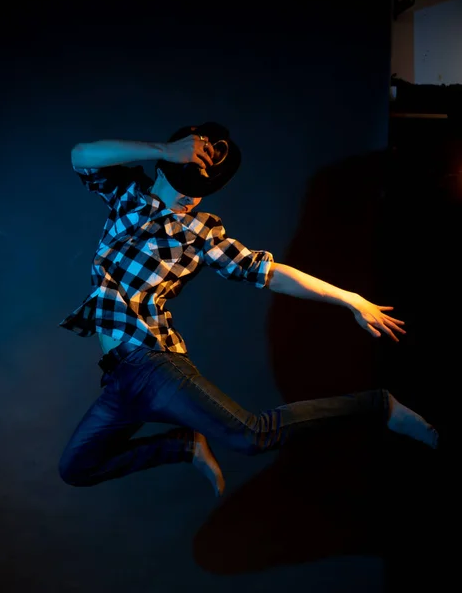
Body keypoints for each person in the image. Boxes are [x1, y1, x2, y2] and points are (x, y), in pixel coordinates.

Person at [58, 121, 438, 498]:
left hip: (152, 361)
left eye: (200, 193)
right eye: (184, 187)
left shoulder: (200, 234)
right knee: (77, 468)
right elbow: (81, 156)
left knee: (255, 435)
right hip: (120, 378)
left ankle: (379, 406)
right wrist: (164, 148)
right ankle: (183, 446)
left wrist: (349, 298)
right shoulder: (127, 196)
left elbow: (271, 273)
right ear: (162, 169)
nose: (190, 199)